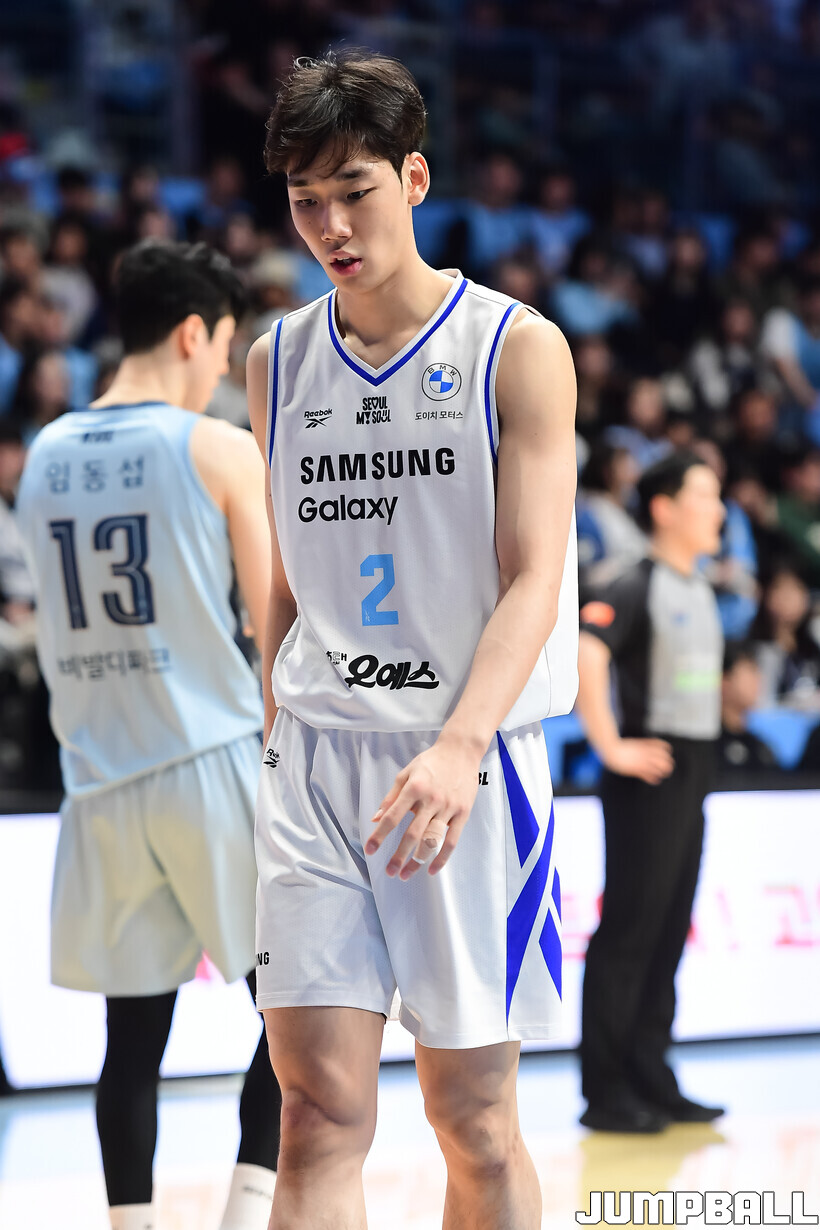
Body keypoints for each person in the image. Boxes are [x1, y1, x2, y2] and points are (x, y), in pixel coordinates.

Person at [247, 50, 578, 1230]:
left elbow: (535, 576)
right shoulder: (275, 359)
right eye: (305, 201)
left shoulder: (515, 346)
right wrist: (275, 728)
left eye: (355, 191)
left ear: (415, 178)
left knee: (473, 1123)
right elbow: (284, 578)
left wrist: (460, 744)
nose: (330, 226)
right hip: (316, 763)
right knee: (313, 1116)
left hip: (461, 765)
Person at [16, 239, 282, 1230]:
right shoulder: (216, 446)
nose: (223, 370)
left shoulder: (43, 454)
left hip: (99, 779)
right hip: (211, 759)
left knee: (129, 1045)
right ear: (192, 333)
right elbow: (276, 625)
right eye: (225, 348)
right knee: (303, 1017)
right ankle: (245, 1217)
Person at [575, 451, 726, 1133]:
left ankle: (651, 1074)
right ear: (663, 507)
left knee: (668, 930)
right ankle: (606, 1090)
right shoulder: (637, 582)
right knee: (630, 930)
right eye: (705, 495)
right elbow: (589, 649)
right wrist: (611, 746)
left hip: (694, 768)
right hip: (649, 769)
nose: (719, 510)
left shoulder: (700, 587)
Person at [718, 640, 778, 773]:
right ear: (724, 681)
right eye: (751, 670)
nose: (759, 679)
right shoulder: (708, 747)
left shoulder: (760, 747)